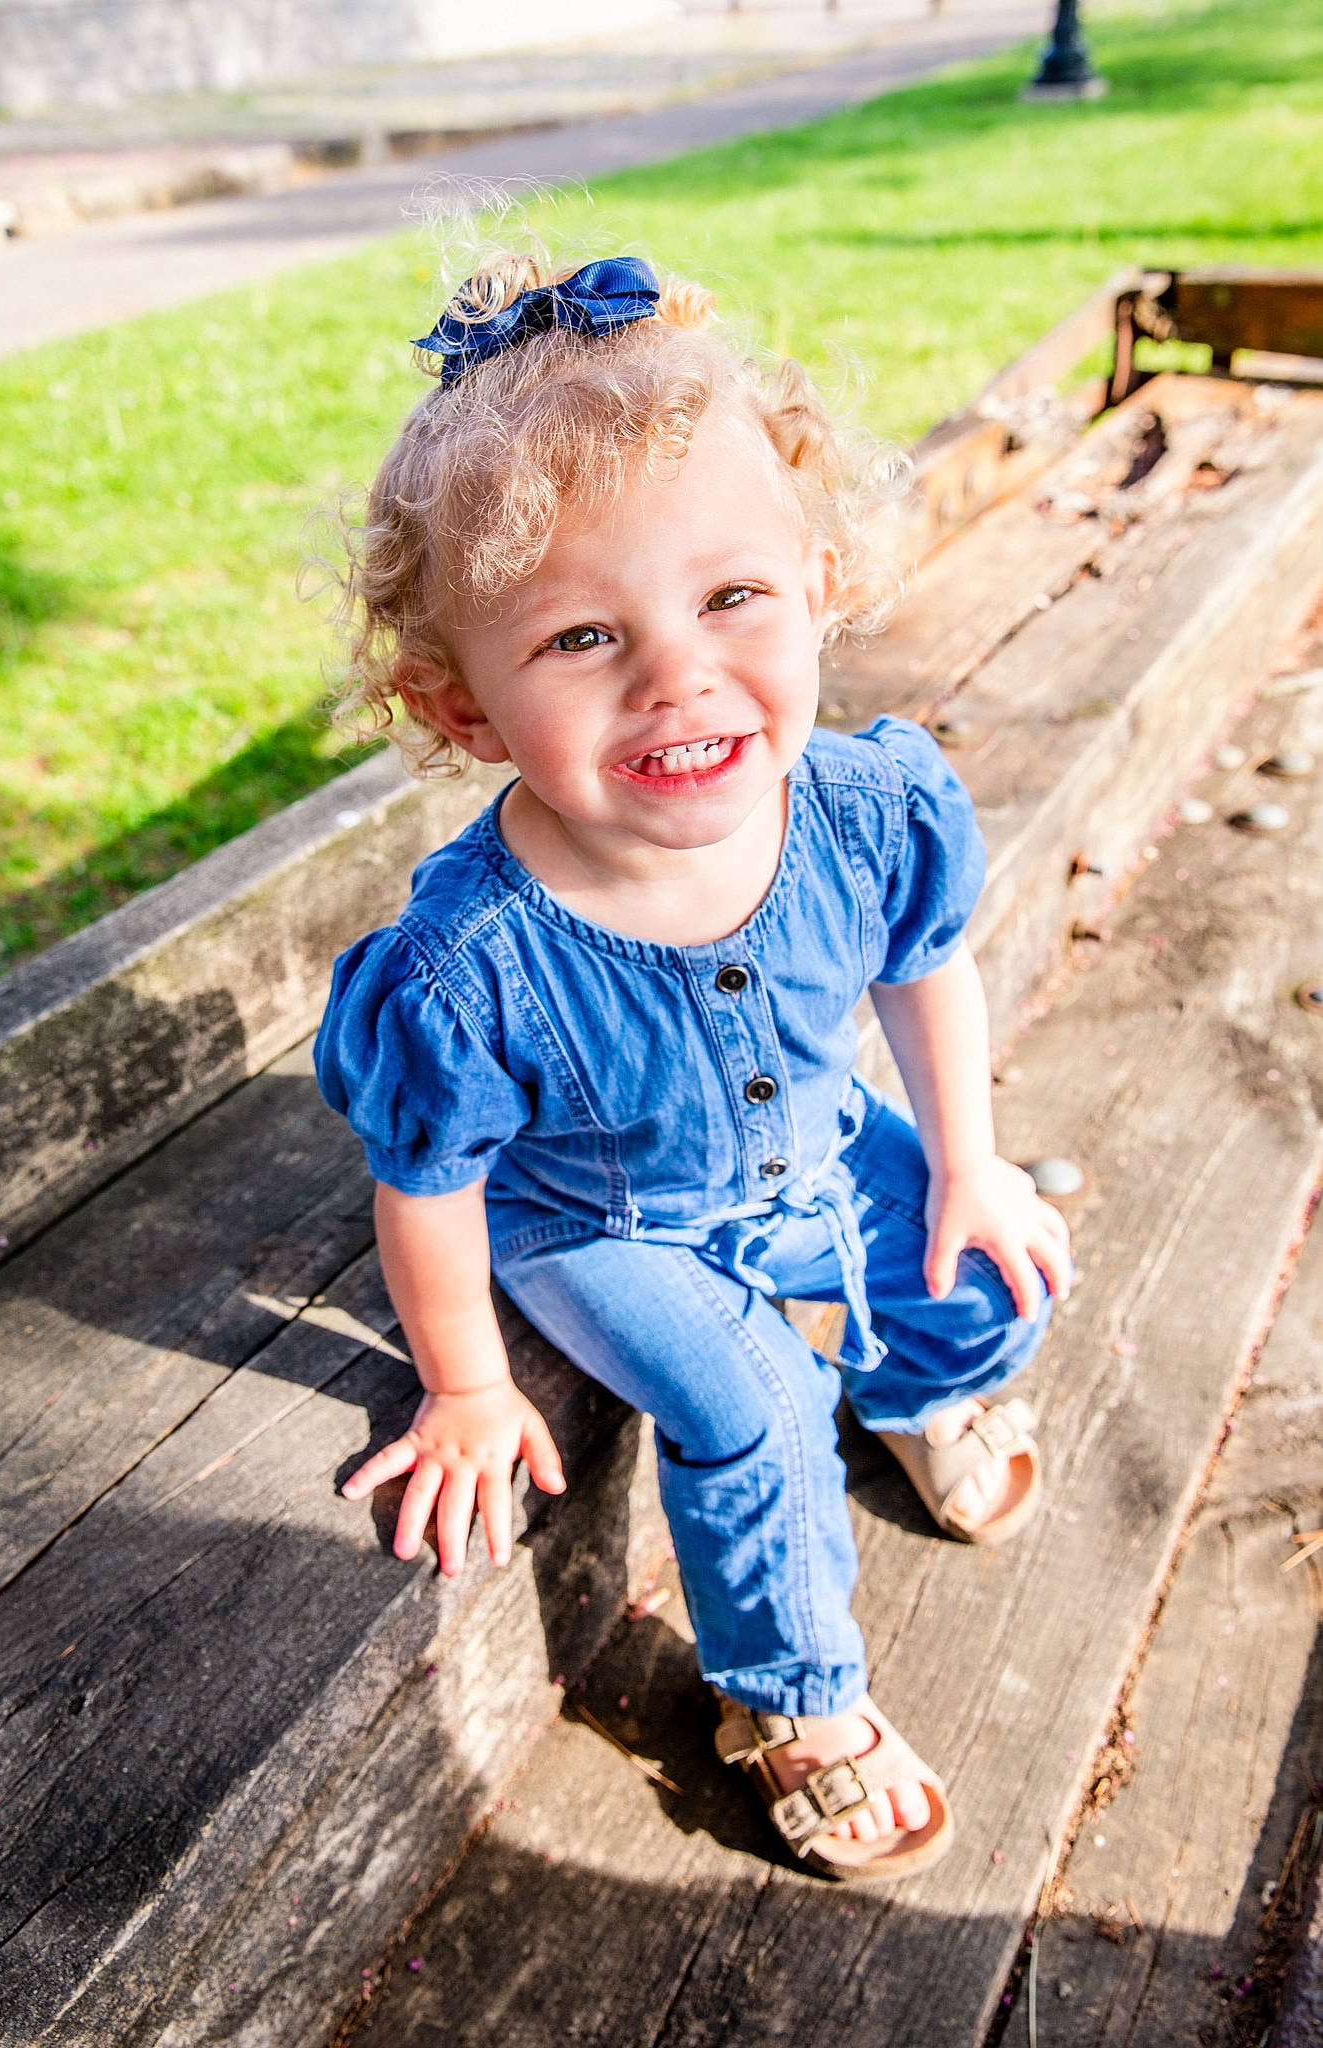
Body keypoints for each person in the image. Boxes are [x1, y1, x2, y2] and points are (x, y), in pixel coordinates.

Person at [314, 248, 1071, 1882]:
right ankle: (793, 1702)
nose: (677, 673)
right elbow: (427, 1186)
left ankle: (925, 1387)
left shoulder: (863, 807)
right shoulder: (471, 964)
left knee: (980, 1259)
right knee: (754, 1412)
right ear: (463, 710)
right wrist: (463, 1382)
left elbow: (922, 970)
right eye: (583, 636)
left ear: (813, 581)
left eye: (731, 597)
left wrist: (967, 1155)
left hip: (809, 1140)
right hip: (600, 1218)